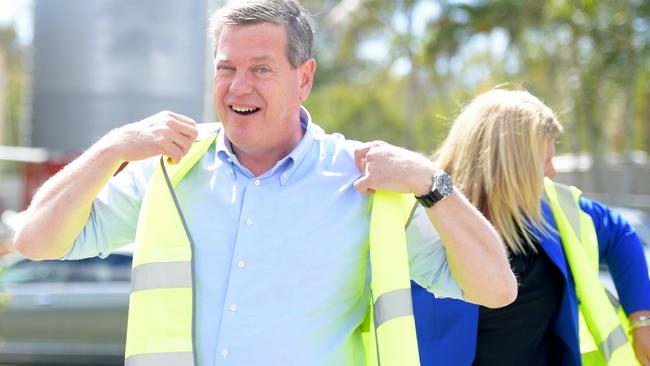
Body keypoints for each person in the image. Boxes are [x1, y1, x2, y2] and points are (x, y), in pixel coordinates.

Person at [13, 1, 516, 365]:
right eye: (226, 68)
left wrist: (433, 182)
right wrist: (112, 148)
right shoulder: (171, 170)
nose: (238, 86)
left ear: (304, 78)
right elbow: (35, 240)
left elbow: (495, 289)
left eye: (261, 68)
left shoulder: (364, 180)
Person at [411, 89, 650, 366]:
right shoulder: (422, 223)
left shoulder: (552, 209)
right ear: (510, 168)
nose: (552, 171)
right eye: (544, 161)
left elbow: (620, 233)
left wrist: (642, 319)